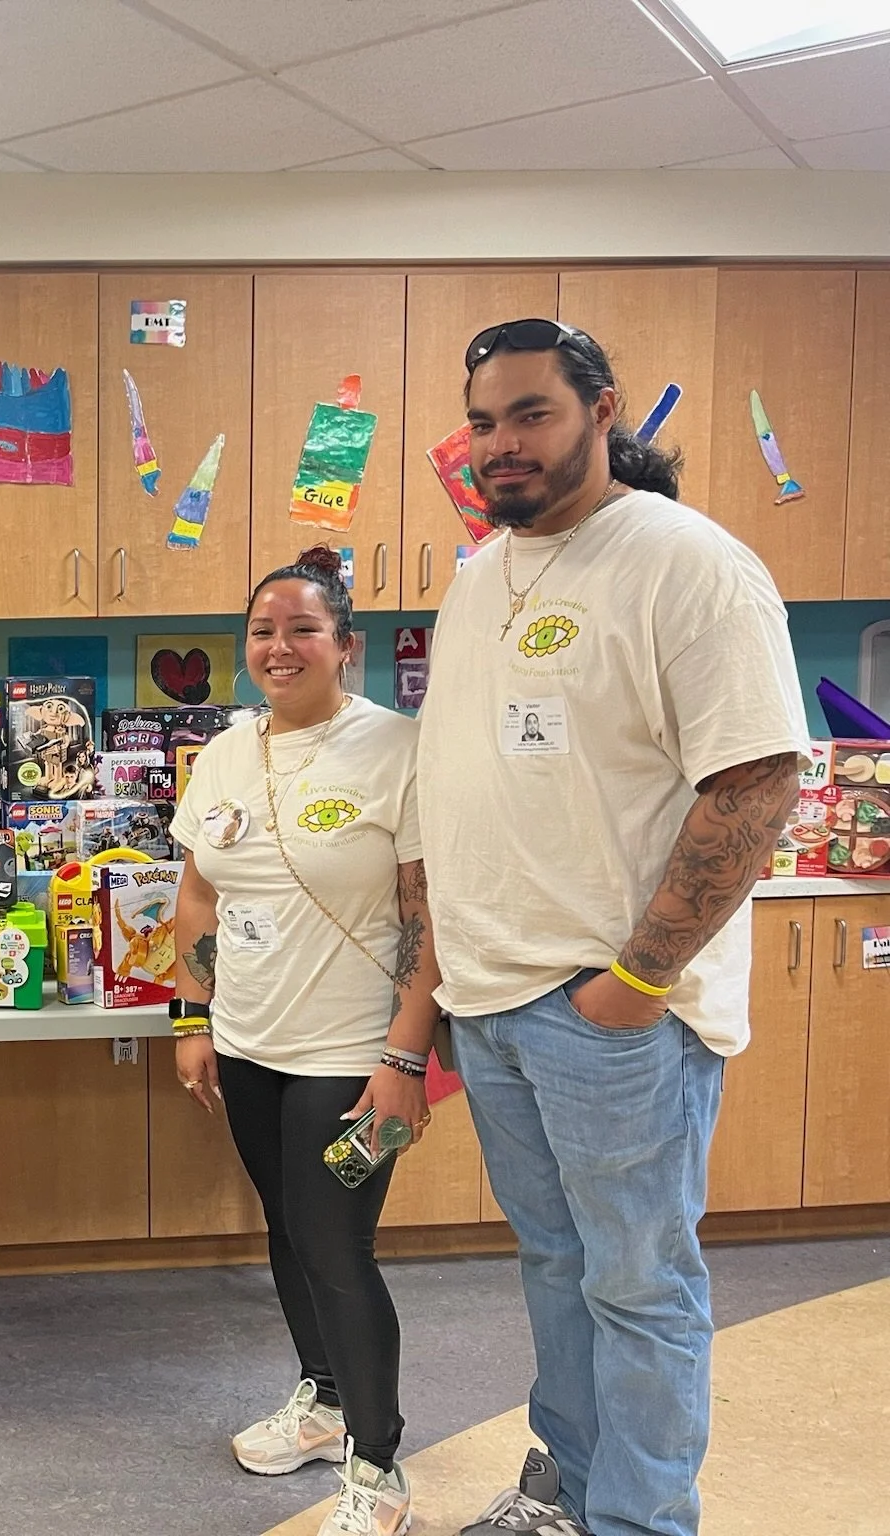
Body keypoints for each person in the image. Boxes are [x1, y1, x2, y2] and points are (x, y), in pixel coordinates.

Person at [420, 321, 807, 1536]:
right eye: (482, 421)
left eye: (529, 413)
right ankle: (573, 1501)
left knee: (637, 1286)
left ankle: (641, 1524)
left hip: (606, 1008)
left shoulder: (683, 560)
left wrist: (635, 979)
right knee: (555, 1272)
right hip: (493, 1003)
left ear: (600, 409)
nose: (500, 444)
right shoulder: (482, 568)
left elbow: (753, 781)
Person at [169, 546, 442, 1536]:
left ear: (343, 644)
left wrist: (404, 1057)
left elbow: (426, 915)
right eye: (261, 631)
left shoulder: (395, 748)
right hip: (247, 1046)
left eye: (301, 629)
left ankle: (377, 1469)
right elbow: (196, 896)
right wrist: (191, 1018)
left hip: (351, 1057)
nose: (278, 647)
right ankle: (322, 1404)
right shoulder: (225, 753)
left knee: (334, 1247)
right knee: (285, 1231)